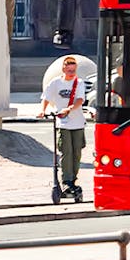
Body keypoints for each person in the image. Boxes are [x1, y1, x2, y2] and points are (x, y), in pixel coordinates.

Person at [40, 55, 86, 197]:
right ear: (63, 69)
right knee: (66, 152)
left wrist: (70, 108)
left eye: (73, 71)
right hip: (63, 123)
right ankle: (66, 181)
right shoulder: (56, 83)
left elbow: (80, 100)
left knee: (76, 152)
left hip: (77, 122)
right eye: (69, 71)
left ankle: (73, 179)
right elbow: (46, 97)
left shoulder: (79, 83)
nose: (72, 73)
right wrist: (43, 110)